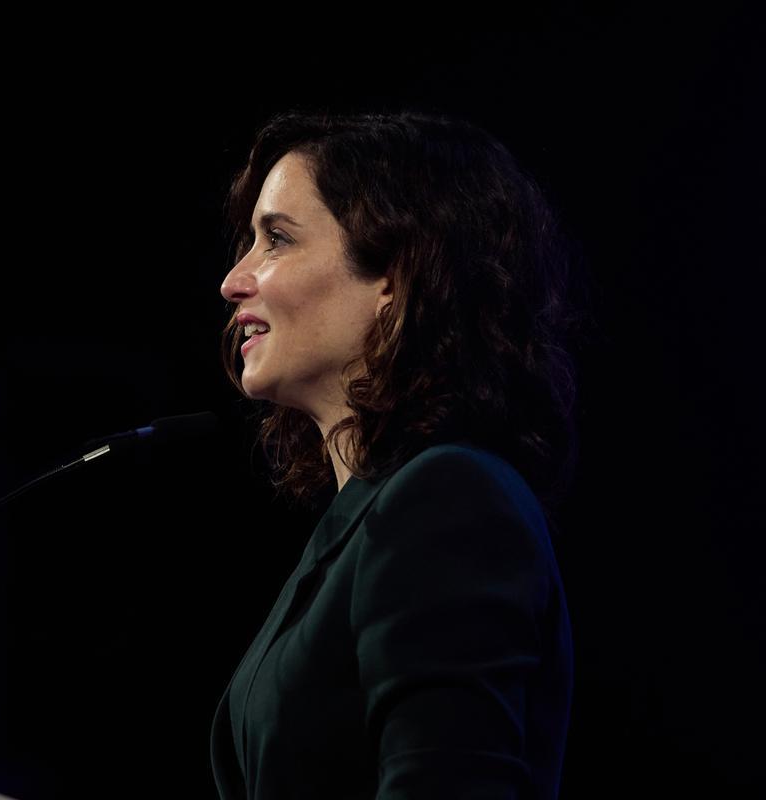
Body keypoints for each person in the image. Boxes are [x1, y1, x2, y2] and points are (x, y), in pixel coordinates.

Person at [209, 109, 588, 800]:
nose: (234, 280)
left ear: (394, 273)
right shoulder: (365, 521)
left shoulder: (450, 500)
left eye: (277, 239)